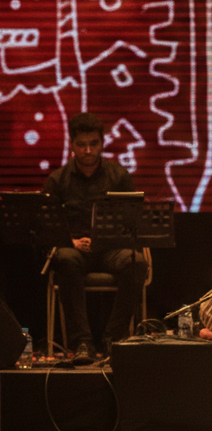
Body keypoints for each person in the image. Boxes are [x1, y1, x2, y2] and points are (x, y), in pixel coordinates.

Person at [43, 112, 149, 362]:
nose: (88, 150)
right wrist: (70, 242)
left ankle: (114, 339)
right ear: (72, 144)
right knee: (65, 259)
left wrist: (107, 239)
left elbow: (132, 221)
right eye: (82, 145)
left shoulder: (118, 176)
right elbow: (47, 225)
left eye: (93, 144)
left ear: (102, 143)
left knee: (136, 263)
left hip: (110, 249)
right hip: (74, 250)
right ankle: (82, 342)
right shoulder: (57, 180)